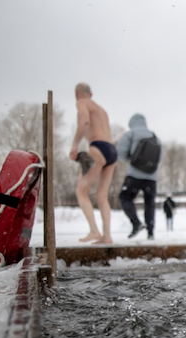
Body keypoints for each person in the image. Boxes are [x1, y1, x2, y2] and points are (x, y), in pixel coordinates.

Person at [70, 83, 116, 244]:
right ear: (91, 93)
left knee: (81, 192)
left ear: (77, 93)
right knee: (102, 196)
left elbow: (84, 122)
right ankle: (107, 236)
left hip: (97, 148)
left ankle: (94, 231)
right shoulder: (101, 109)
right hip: (111, 150)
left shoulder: (82, 103)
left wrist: (75, 144)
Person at [117, 113, 161, 240]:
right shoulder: (154, 136)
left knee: (125, 197)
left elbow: (121, 154)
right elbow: (160, 157)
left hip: (134, 174)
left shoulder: (131, 134)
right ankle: (151, 232)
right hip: (152, 177)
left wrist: (130, 158)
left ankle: (136, 222)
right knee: (149, 203)